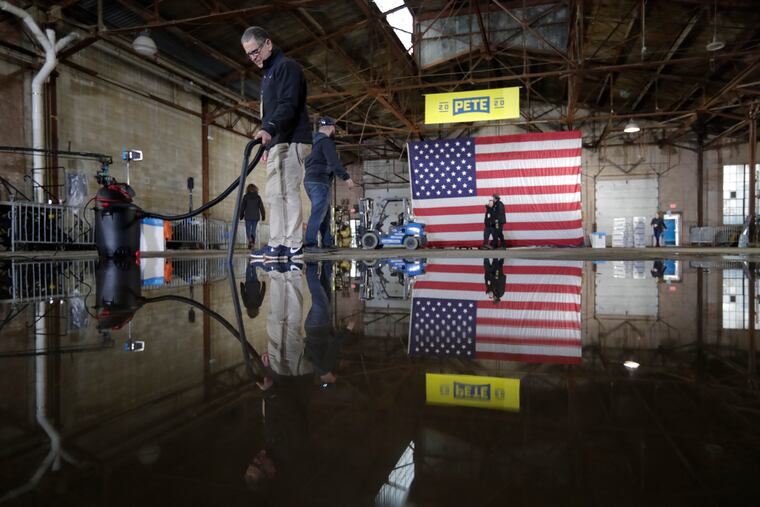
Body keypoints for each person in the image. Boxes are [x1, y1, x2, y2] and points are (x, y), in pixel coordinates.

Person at [242, 26, 311, 260]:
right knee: (274, 193)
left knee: (287, 190)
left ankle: (293, 244)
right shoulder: (268, 74)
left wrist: (269, 129)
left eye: (256, 51)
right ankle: (277, 244)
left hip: (291, 138)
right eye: (249, 54)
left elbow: (288, 104)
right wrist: (267, 144)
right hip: (277, 141)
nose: (254, 58)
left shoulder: (286, 67)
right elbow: (270, 112)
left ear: (268, 44)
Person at [303, 117, 356, 253]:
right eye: (334, 129)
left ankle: (327, 242)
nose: (334, 132)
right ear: (331, 128)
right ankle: (310, 243)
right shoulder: (326, 142)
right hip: (319, 181)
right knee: (318, 212)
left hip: (310, 180)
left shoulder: (313, 143)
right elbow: (333, 162)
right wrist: (347, 178)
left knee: (325, 212)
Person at [239, 183, 266, 250]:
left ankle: (250, 240)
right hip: (255, 217)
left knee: (248, 229)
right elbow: (261, 207)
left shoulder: (245, 197)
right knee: (253, 230)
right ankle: (252, 243)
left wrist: (241, 215)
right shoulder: (258, 197)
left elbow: (242, 207)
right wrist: (263, 215)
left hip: (248, 216)